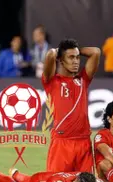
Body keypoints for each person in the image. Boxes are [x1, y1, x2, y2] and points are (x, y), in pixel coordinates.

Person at [42, 38, 101, 173]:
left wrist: (75, 50)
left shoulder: (83, 80)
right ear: (61, 60)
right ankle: (4, 178)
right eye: (71, 57)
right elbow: (51, 54)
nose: (75, 61)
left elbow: (95, 52)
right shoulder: (52, 81)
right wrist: (60, 51)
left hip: (83, 142)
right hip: (62, 142)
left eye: (78, 57)